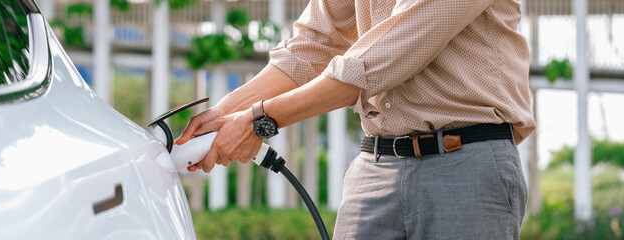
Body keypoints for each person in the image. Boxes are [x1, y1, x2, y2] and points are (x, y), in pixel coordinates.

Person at [175, 0, 535, 238]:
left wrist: (260, 121)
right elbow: (312, 44)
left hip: (464, 167)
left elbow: (387, 57)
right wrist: (223, 113)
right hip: (376, 167)